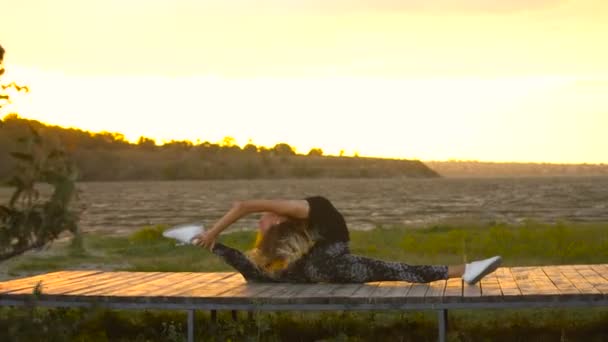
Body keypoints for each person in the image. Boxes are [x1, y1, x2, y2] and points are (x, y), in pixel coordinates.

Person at [193, 196, 501, 284]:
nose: (263, 219)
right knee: (395, 269)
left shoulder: (286, 263)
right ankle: (465, 270)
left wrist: (213, 242)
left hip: (317, 269)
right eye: (265, 220)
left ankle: (466, 271)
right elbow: (244, 205)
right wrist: (212, 234)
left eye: (264, 220)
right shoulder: (312, 208)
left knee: (259, 270)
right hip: (330, 262)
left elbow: (248, 268)